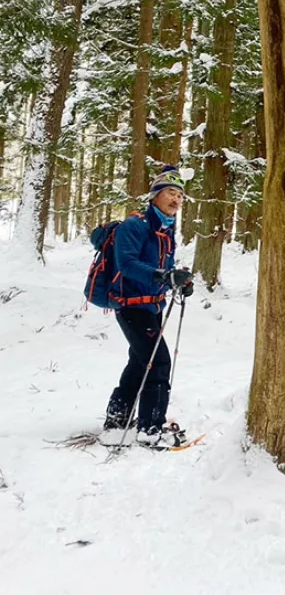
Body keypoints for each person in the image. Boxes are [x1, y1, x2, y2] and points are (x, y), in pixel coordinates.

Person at [103, 166, 194, 447]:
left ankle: (117, 419)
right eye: (170, 192)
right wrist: (163, 276)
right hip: (130, 306)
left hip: (152, 307)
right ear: (155, 194)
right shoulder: (135, 225)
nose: (176, 200)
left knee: (141, 361)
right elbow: (128, 265)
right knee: (158, 362)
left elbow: (160, 269)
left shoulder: (166, 230)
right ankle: (150, 429)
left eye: (180, 195)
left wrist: (177, 281)